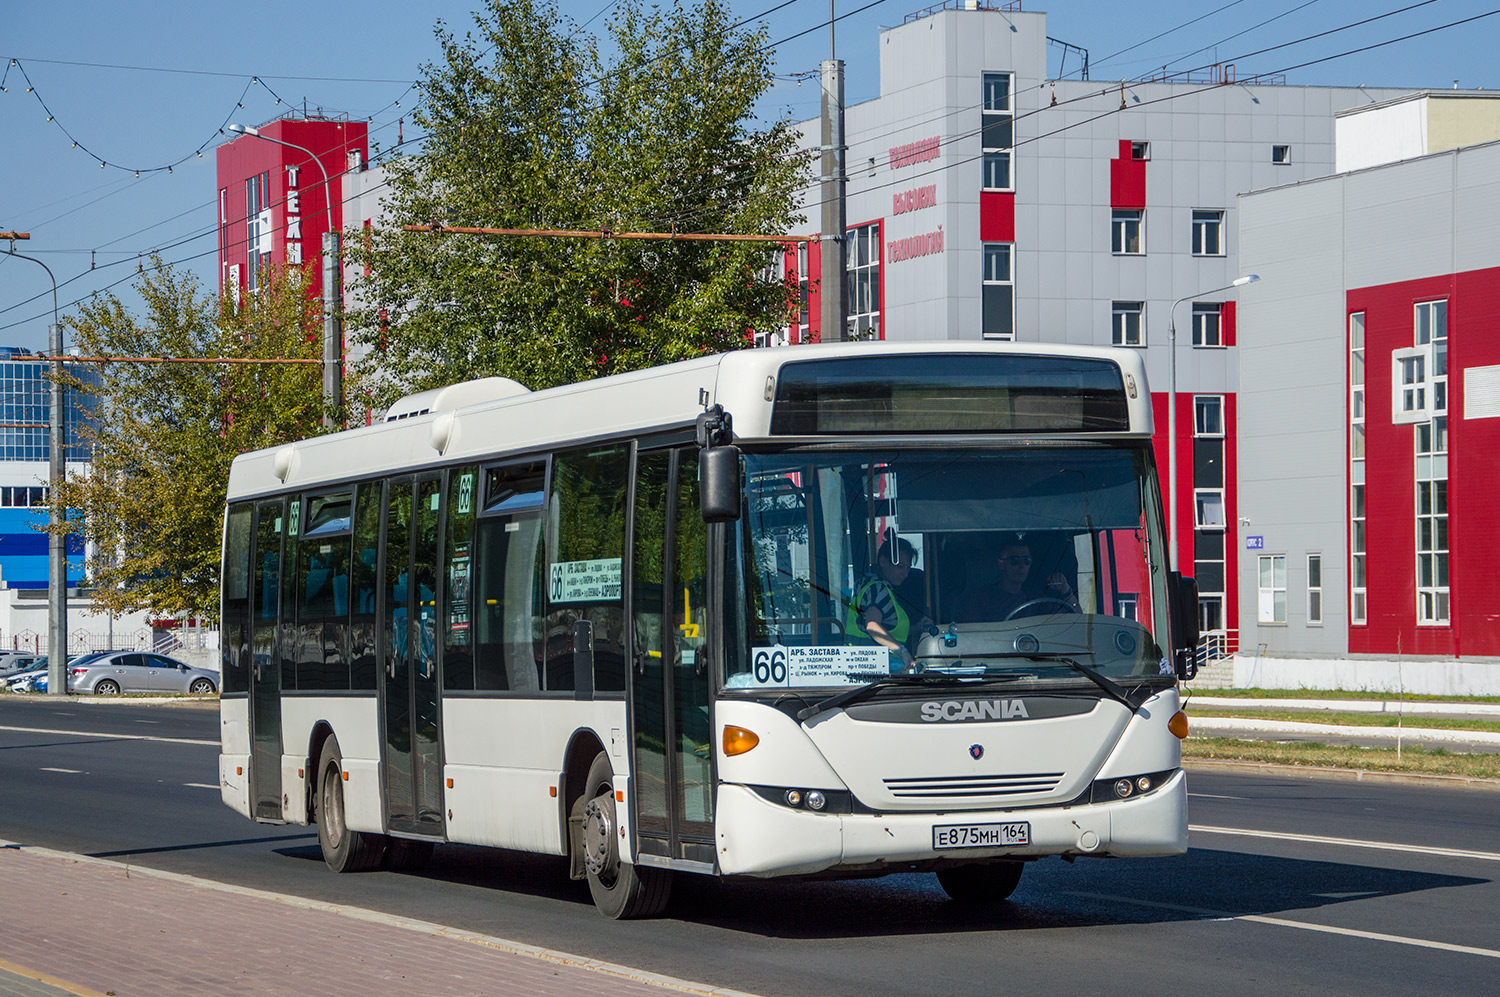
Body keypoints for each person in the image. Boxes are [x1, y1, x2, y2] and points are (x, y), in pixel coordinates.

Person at [845, 535, 931, 672]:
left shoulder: (866, 584)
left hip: (859, 663)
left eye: (908, 568)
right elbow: (873, 626)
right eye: (900, 566)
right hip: (880, 667)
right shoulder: (878, 589)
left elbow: (890, 631)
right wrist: (902, 651)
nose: (905, 574)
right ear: (883, 561)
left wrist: (917, 627)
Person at [957, 536, 1079, 623]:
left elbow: (1078, 622)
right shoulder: (979, 599)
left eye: (1027, 560)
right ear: (1001, 564)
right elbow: (973, 637)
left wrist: (1066, 590)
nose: (1022, 566)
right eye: (1014, 560)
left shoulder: (1035, 598)